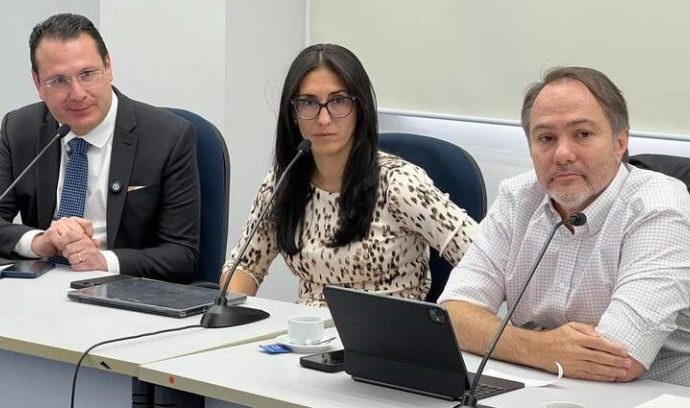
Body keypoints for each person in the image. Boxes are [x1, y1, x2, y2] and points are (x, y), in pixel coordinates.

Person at [439, 67, 690, 386]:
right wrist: (539, 349)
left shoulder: (659, 206)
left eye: (582, 134)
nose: (562, 154)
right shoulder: (518, 197)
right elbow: (453, 315)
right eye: (546, 138)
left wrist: (511, 342)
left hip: (652, 394)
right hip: (542, 386)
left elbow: (620, 358)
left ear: (620, 142)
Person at [222, 43, 477, 306]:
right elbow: (245, 266)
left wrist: (454, 313)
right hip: (306, 328)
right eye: (308, 103)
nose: (323, 119)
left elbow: (483, 259)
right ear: (293, 115)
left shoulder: (398, 184)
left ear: (360, 109)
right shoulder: (283, 182)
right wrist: (230, 308)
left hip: (387, 328)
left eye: (338, 101)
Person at [0, 13, 200, 282]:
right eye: (58, 80)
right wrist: (39, 242)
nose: (77, 94)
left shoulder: (168, 137)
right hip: (39, 290)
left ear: (108, 67)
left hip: (125, 292)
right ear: (38, 83)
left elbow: (182, 255)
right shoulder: (18, 128)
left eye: (87, 74)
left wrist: (102, 261)